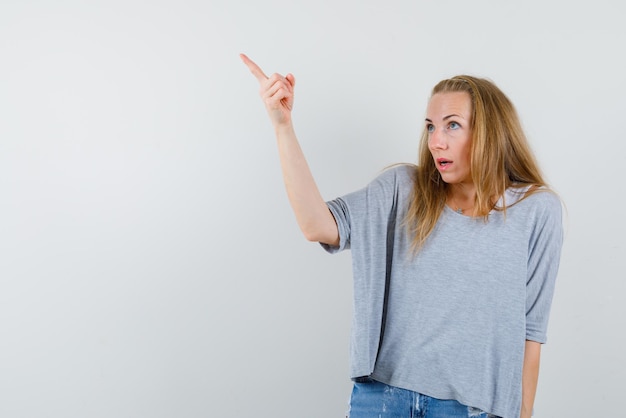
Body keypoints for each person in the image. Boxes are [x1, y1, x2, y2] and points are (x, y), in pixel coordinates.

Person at [240, 53, 563, 418]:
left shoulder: (537, 210)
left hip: (471, 409)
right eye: (430, 126)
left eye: (452, 125)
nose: (436, 141)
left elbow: (531, 332)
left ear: (490, 132)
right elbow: (316, 224)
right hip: (382, 400)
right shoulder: (403, 190)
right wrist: (282, 126)